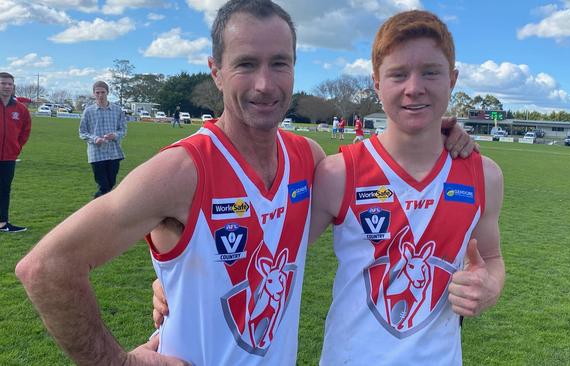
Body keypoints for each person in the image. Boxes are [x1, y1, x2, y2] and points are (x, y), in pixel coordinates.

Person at [17, 1, 475, 365]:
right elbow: (46, 268)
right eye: (245, 64)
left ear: (295, 68)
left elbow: (382, 169)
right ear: (215, 70)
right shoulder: (181, 169)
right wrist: (116, 362)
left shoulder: (307, 159)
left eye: (279, 64)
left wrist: (439, 130)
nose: (264, 83)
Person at [308, 10, 505, 364]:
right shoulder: (337, 173)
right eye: (398, 74)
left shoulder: (484, 176)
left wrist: (490, 286)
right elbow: (269, 252)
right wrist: (170, 276)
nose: (414, 88)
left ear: (453, 79)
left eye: (430, 72)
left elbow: (491, 258)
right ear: (376, 83)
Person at [78, 81, 127, 198]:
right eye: (97, 92)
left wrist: (115, 135)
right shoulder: (88, 111)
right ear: (94, 93)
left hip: (113, 153)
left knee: (111, 184)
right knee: (104, 186)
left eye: (103, 92)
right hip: (96, 153)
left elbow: (123, 130)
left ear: (108, 93)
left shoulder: (117, 110)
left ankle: (100, 210)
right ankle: (96, 210)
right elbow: (82, 132)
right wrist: (95, 139)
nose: (100, 95)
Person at [0, 71, 31, 233]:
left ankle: (2, 223)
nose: (6, 86)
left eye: (9, 84)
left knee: (4, 189)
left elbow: (25, 131)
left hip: (8, 157)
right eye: (3, 83)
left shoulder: (21, 109)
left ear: (13, 87)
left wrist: (16, 147)